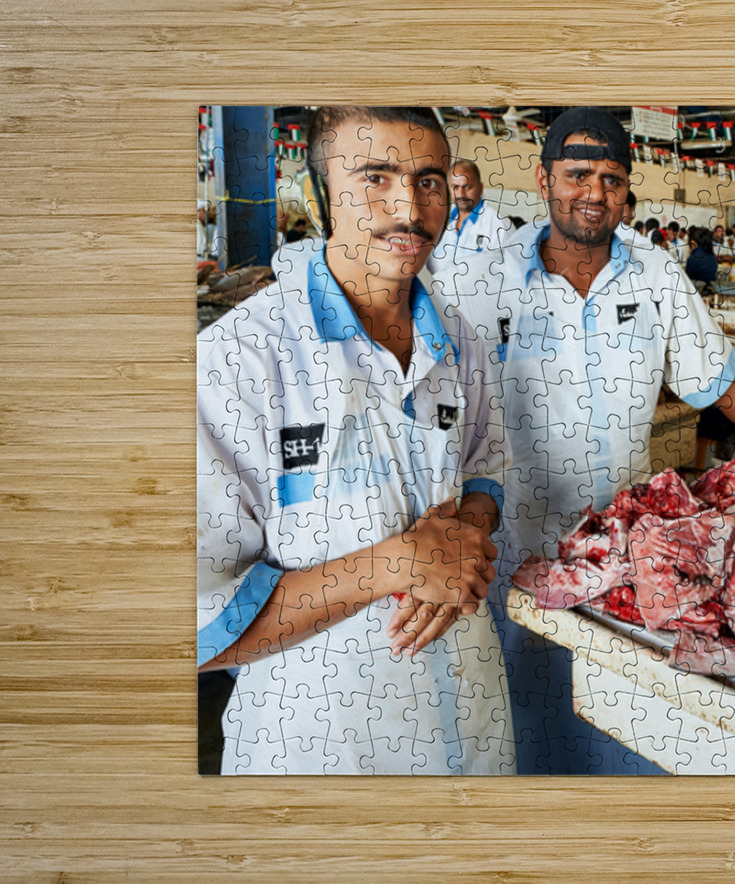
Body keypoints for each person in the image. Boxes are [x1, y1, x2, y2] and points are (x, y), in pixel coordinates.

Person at [197, 106, 512, 775]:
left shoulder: (459, 341)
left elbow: (486, 467)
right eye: (376, 176)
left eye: (430, 181)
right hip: (319, 749)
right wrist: (397, 563)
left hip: (471, 717)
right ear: (321, 193)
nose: (410, 207)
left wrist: (465, 534)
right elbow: (197, 622)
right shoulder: (239, 360)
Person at [474, 107, 735, 774]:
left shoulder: (657, 275)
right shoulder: (482, 279)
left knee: (625, 715)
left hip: (630, 550)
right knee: (521, 713)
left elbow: (721, 380)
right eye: (578, 174)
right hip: (512, 546)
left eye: (612, 179)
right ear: (543, 178)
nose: (595, 193)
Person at [427, 158, 513, 286]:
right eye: (455, 187)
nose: (461, 194)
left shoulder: (498, 225)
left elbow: (512, 277)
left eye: (467, 187)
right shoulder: (438, 220)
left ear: (481, 187)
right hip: (438, 303)